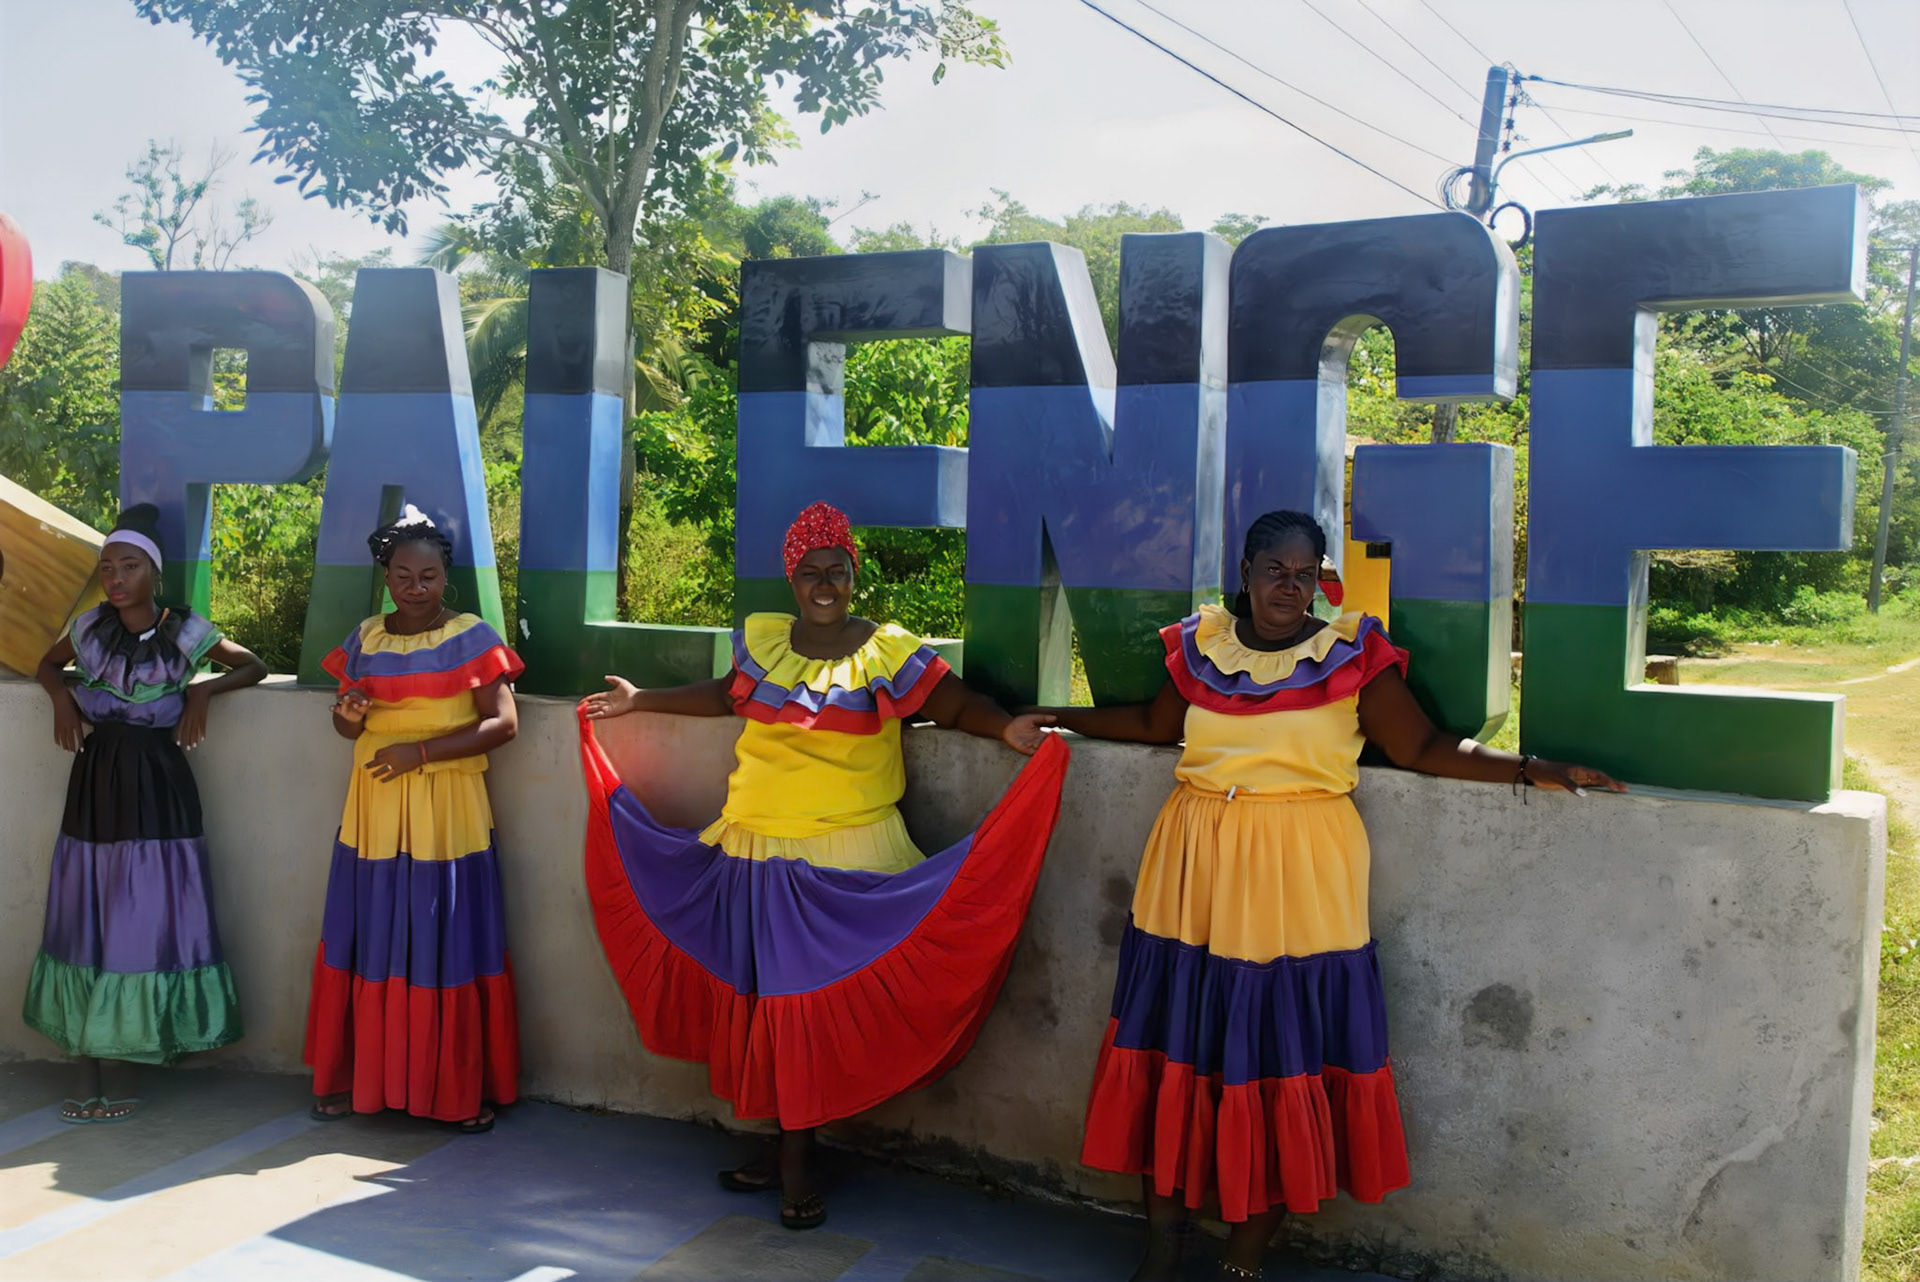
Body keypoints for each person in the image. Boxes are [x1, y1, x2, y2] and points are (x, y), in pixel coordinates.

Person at [1033, 510, 1624, 1282]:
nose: (1291, 585)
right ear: (1244, 571)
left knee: (1282, 1050)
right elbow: (1151, 725)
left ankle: (1243, 1259)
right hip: (1191, 869)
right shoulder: (1202, 649)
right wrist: (1051, 718)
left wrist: (1533, 767)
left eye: (1306, 572)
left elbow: (1421, 749)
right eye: (1275, 569)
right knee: (1178, 1038)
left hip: (1300, 875)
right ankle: (1162, 1245)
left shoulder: (1350, 656)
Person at [580, 500, 1068, 1232]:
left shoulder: (887, 652)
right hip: (748, 847)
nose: (824, 584)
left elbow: (952, 702)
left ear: (853, 573)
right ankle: (786, 1151)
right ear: (791, 578)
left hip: (840, 858)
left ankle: (798, 1163)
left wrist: (1004, 727)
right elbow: (725, 697)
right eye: (810, 572)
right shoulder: (763, 644)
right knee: (764, 1005)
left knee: (802, 1007)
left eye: (836, 570)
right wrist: (640, 700)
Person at [25, 503, 266, 1122]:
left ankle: (128, 1062)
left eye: (129, 565)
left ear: (154, 572)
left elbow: (255, 666)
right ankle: (86, 1062)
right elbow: (47, 665)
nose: (115, 577)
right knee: (89, 910)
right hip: (96, 781)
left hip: (159, 789)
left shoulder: (185, 632)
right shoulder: (88, 628)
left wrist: (203, 689)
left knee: (142, 913)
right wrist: (60, 700)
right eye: (107, 567)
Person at [304, 507, 523, 1134]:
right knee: (371, 932)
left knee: (442, 934)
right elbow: (345, 723)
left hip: (446, 808)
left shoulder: (473, 636)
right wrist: (349, 712)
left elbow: (503, 725)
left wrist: (419, 753)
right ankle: (358, 1075)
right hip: (374, 810)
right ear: (386, 575)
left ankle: (452, 1087)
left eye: (428, 576)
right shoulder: (366, 638)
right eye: (403, 575)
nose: (415, 588)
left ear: (445, 575)